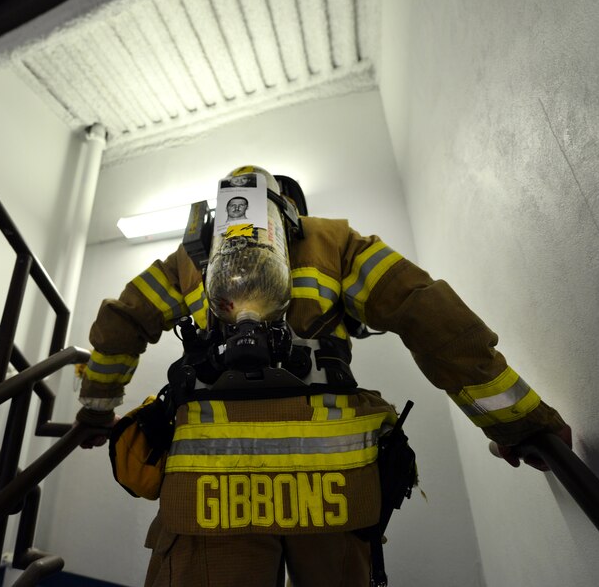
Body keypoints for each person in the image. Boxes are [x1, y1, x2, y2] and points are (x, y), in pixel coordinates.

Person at [75, 165, 571, 587]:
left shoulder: (189, 257)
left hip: (209, 486)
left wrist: (97, 409)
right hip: (334, 485)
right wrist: (519, 422)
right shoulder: (335, 241)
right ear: (293, 210)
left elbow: (121, 323)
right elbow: (427, 312)